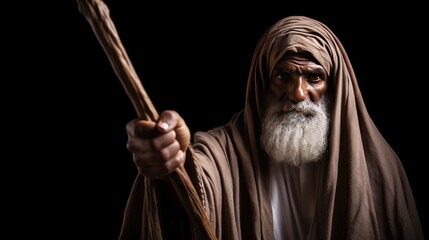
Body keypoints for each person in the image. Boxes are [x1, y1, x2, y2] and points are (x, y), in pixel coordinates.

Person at [119, 15, 424, 240]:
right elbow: (194, 182)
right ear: (263, 81)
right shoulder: (222, 151)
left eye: (314, 77)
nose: (298, 93)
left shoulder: (380, 166)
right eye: (284, 76)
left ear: (334, 87)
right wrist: (172, 161)